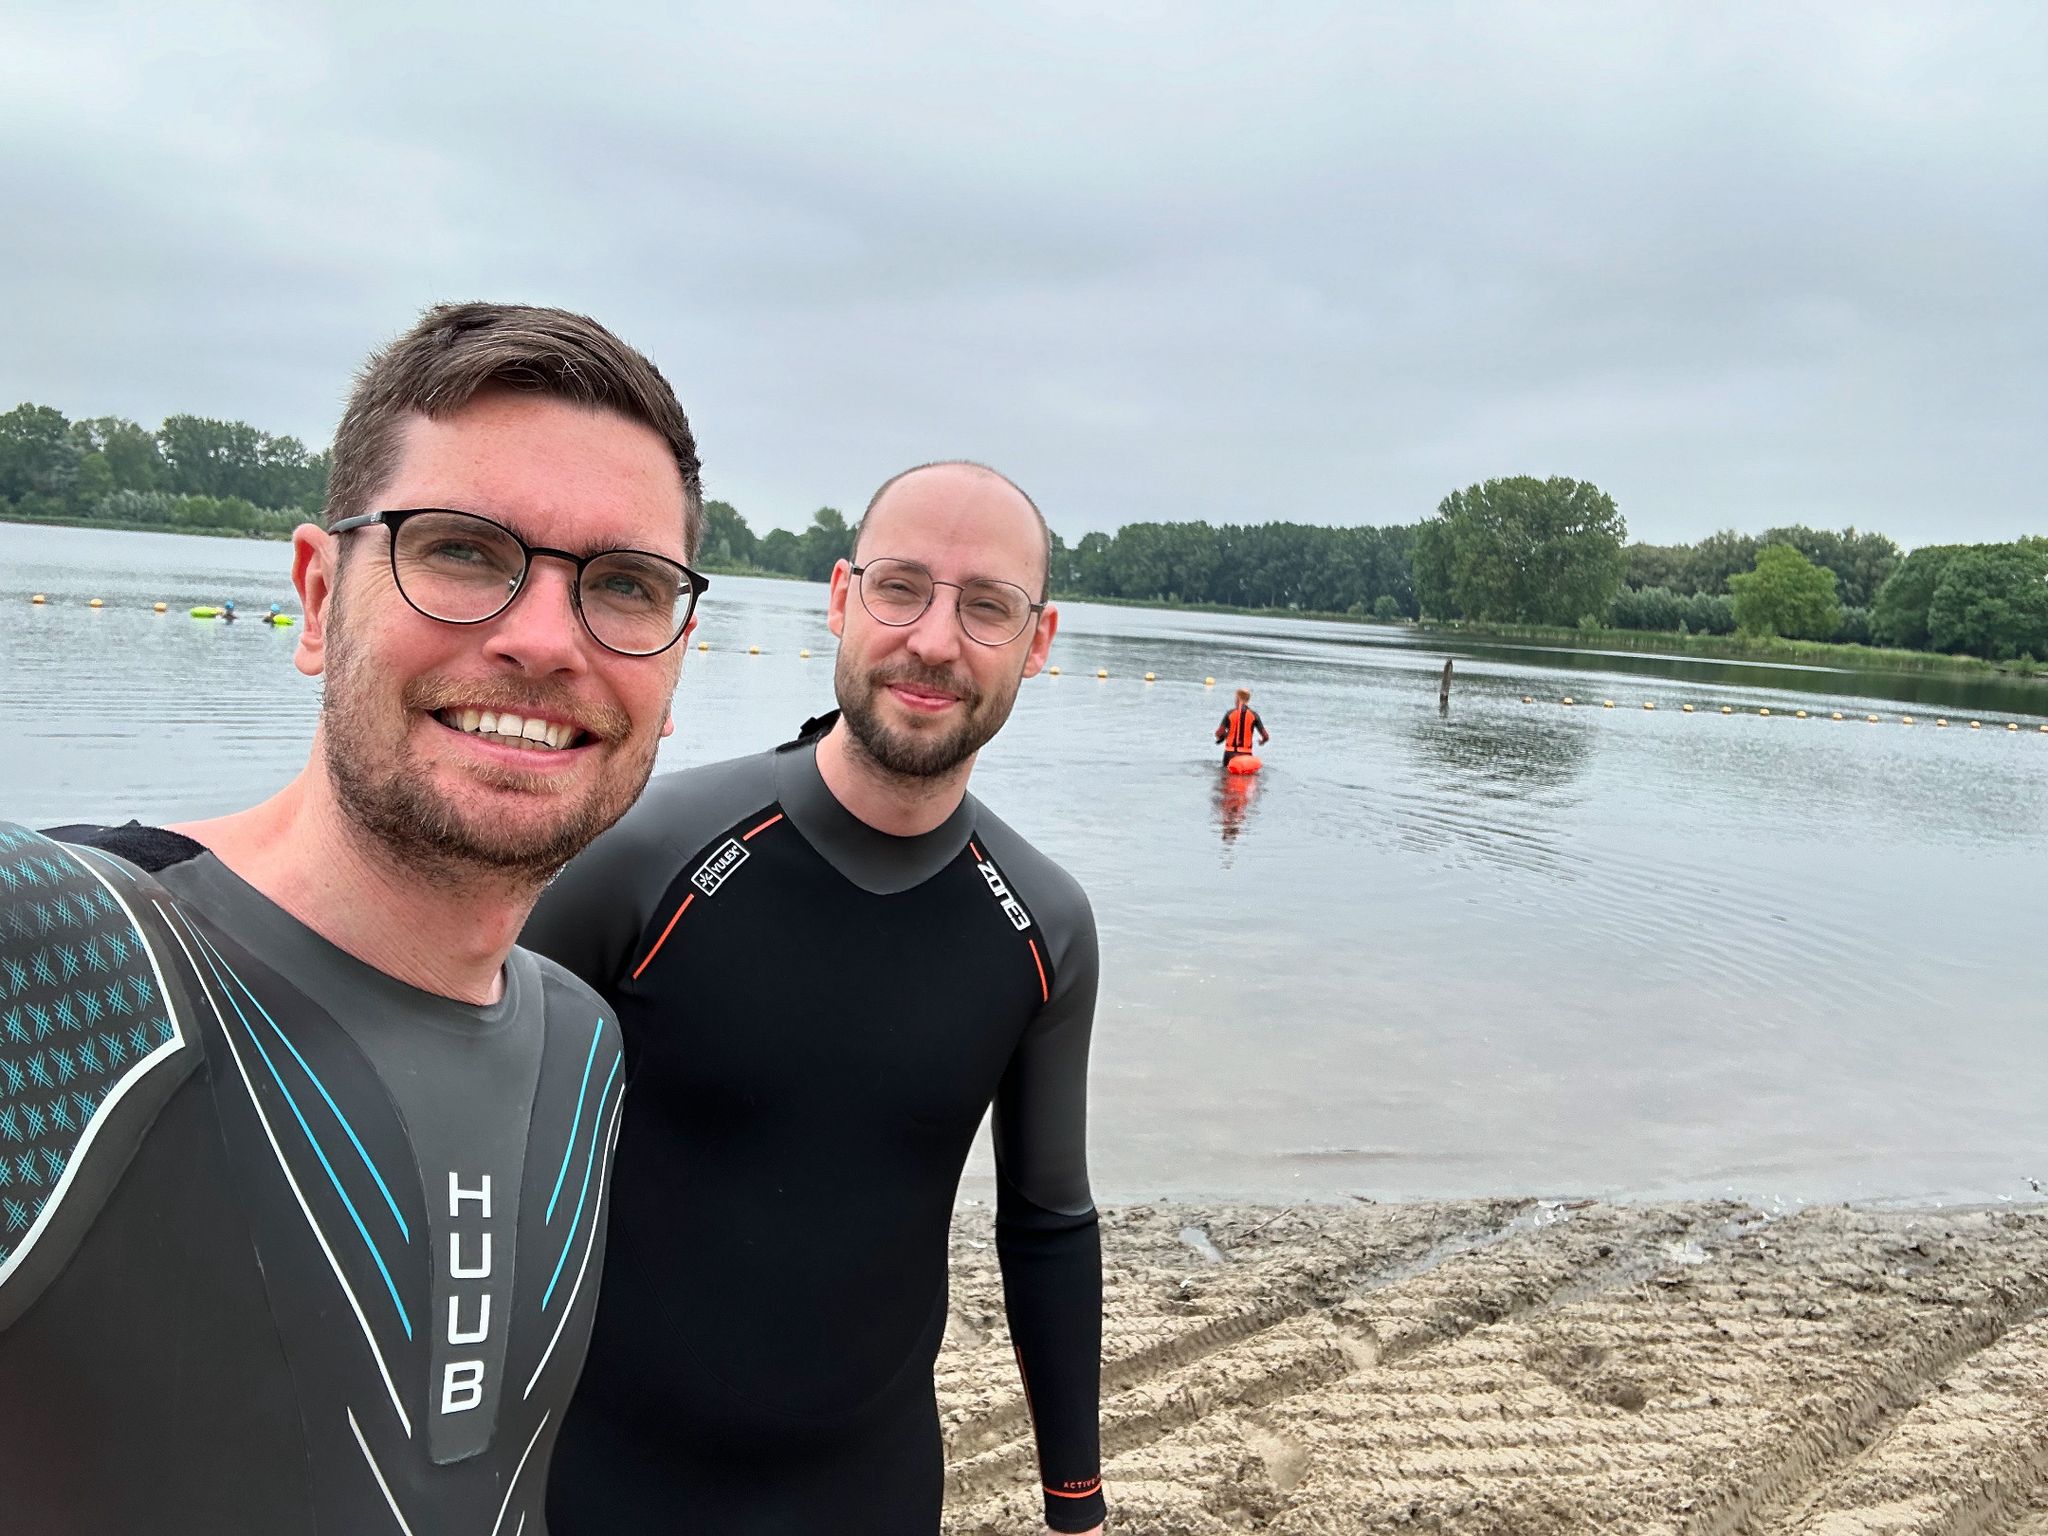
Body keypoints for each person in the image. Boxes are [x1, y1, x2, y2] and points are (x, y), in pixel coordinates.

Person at [0, 302, 708, 1535]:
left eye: (627, 584)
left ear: (677, 658)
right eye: (461, 551)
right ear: (317, 596)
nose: (545, 640)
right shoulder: (63, 969)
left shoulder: (582, 1042)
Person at [525, 460, 1107, 1536]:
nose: (934, 640)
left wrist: (1075, 1503)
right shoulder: (642, 855)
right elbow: (474, 1152)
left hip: (868, 1492)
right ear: (840, 599)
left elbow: (1047, 1222)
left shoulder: (1041, 929)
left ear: (1038, 640)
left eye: (987, 606)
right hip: (598, 1478)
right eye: (901, 587)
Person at [1215, 686, 1270, 765]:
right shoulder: (1254, 715)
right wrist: (1262, 742)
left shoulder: (1230, 713)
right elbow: (1266, 736)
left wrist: (1224, 736)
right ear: (1248, 700)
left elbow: (1219, 733)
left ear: (1237, 698)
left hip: (1230, 753)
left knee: (1226, 775)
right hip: (1246, 754)